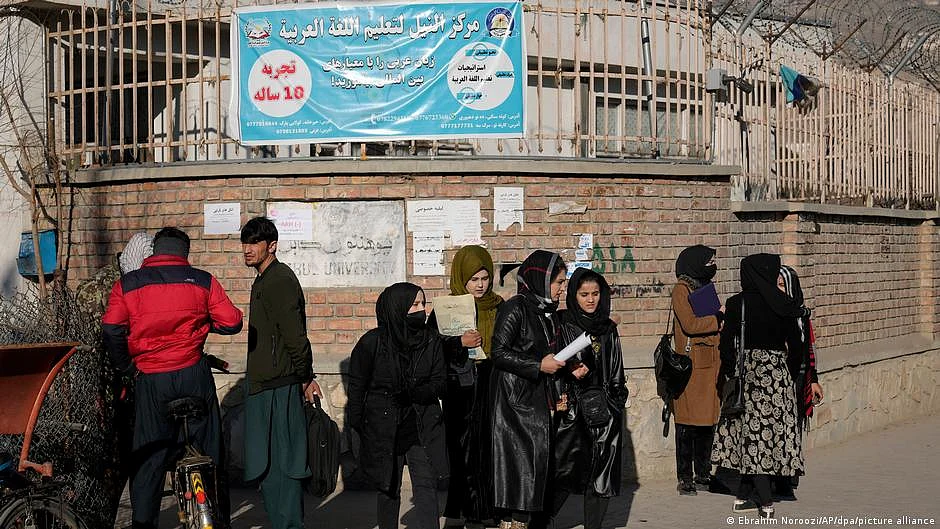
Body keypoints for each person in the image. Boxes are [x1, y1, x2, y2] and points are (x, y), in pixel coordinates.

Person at [102, 227, 243, 529]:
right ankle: (219, 520)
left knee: (150, 459)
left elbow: (112, 329)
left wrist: (128, 368)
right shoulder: (203, 280)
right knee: (210, 453)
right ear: (184, 252)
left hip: (152, 380)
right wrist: (202, 324)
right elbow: (232, 322)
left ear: (155, 251)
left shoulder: (127, 284)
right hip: (194, 374)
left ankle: (143, 522)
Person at [346, 282, 448, 529]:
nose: (421, 310)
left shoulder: (431, 340)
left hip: (419, 424)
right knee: (388, 487)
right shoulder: (372, 343)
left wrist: (415, 392)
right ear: (397, 308)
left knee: (425, 484)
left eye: (423, 304)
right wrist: (357, 423)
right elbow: (358, 385)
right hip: (383, 427)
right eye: (414, 305)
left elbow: (439, 382)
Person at [241, 216, 321, 529]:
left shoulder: (280, 280)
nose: (247, 249)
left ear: (271, 246)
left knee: (285, 467)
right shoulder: (264, 279)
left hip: (281, 386)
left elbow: (295, 336)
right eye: (245, 243)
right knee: (269, 468)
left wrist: (306, 377)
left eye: (254, 243)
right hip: (265, 385)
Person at [712, 253, 805, 519]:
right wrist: (786, 371)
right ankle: (750, 497)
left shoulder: (736, 304)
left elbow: (726, 345)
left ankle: (761, 501)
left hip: (748, 376)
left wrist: (732, 373)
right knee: (765, 436)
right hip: (777, 378)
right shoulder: (784, 304)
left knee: (752, 436)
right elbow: (797, 346)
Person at [490, 250, 568, 529]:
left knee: (534, 470)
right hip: (515, 404)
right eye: (558, 282)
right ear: (541, 280)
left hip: (537, 399)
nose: (562, 288)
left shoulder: (545, 310)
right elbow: (497, 352)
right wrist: (537, 365)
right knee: (521, 471)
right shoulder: (516, 307)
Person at [546, 268, 628, 529]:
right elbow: (552, 363)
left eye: (595, 294)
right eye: (584, 294)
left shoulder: (607, 328)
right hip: (571, 410)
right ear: (575, 295)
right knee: (564, 471)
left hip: (604, 412)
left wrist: (615, 403)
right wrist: (569, 372)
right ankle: (540, 521)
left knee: (601, 477)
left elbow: (617, 371)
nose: (591, 300)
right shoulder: (562, 323)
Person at [431, 245, 503, 528]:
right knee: (461, 451)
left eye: (484, 278)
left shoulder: (499, 307)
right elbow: (430, 349)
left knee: (488, 449)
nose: (480, 285)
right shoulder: (445, 309)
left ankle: (487, 509)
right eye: (474, 279)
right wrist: (457, 343)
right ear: (462, 279)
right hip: (458, 389)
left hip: (490, 384)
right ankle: (460, 511)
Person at [670, 244, 723, 495]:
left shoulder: (704, 287)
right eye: (708, 262)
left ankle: (704, 474)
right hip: (691, 368)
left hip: (711, 366)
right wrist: (718, 320)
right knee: (687, 424)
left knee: (706, 425)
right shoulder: (682, 289)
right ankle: (685, 478)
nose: (712, 266)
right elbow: (690, 324)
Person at [773, 264, 824, 500]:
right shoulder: (771, 311)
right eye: (776, 285)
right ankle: (774, 475)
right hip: (774, 379)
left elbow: (808, 349)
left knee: (793, 429)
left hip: (798, 379)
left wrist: (813, 380)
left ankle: (788, 477)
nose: (779, 289)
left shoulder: (801, 315)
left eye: (782, 285)